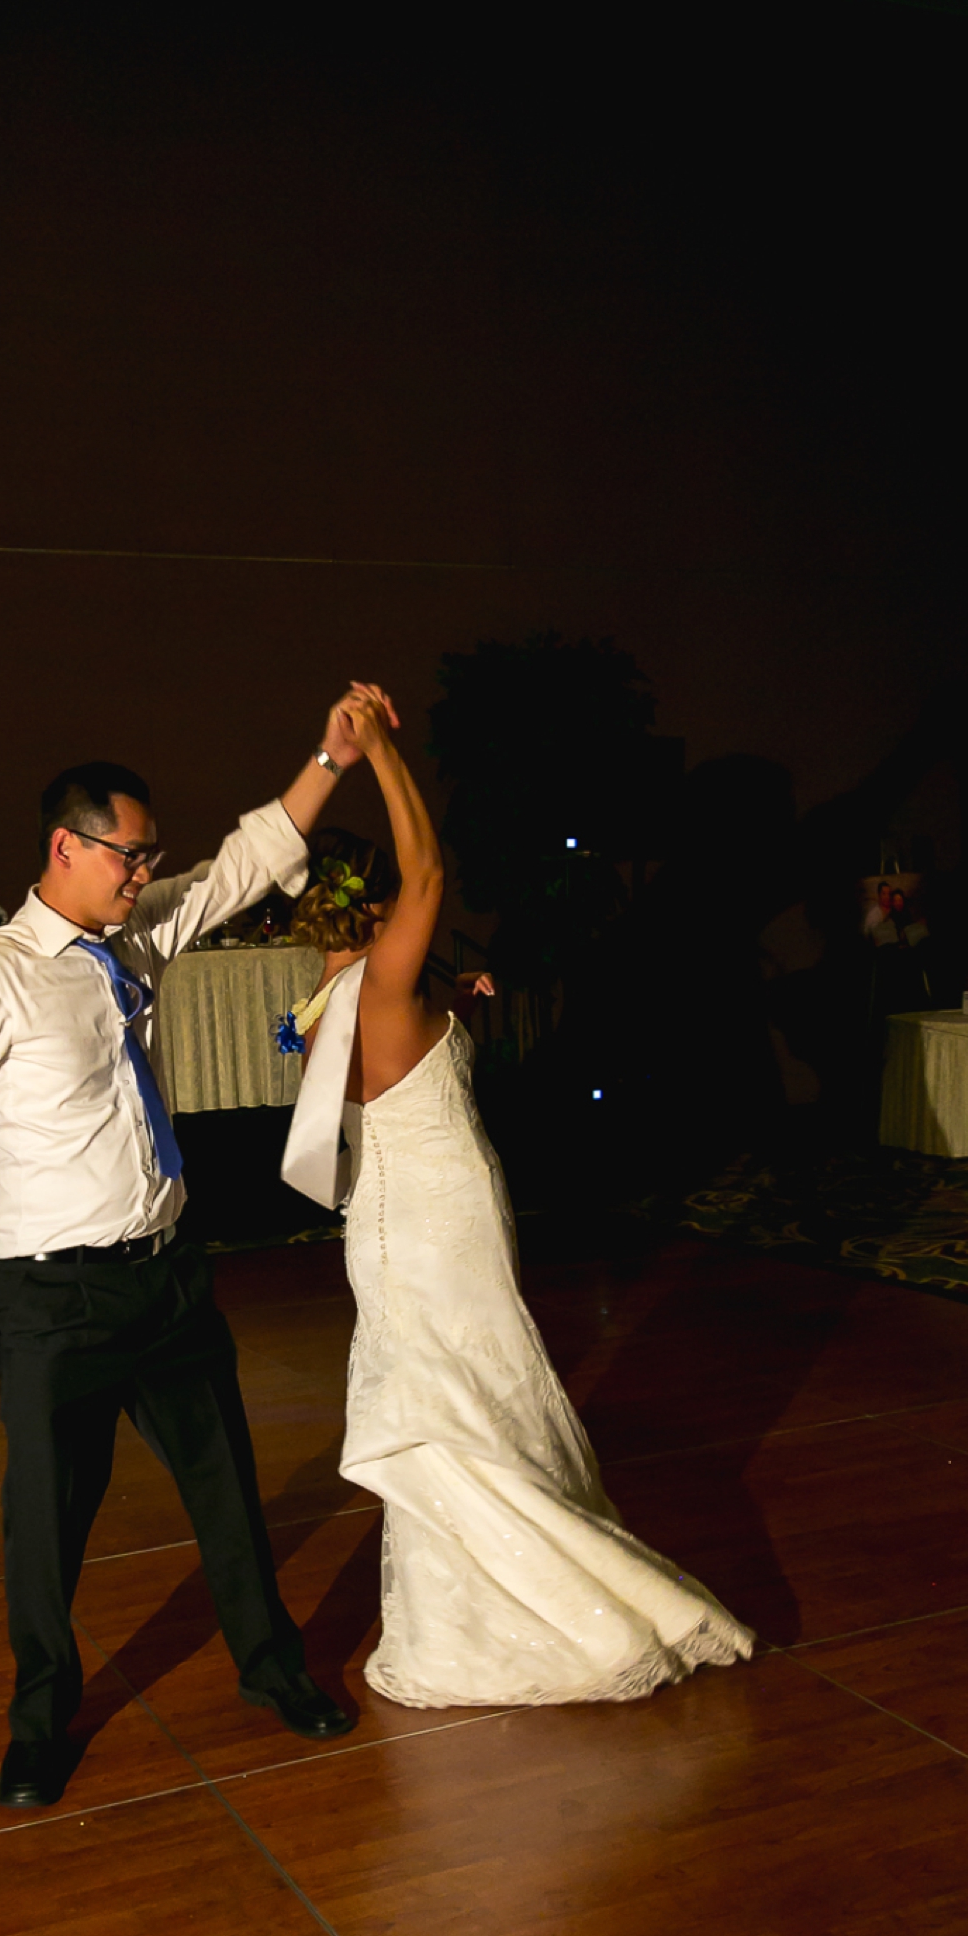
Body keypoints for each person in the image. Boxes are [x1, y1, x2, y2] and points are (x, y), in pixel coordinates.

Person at [0, 692, 379, 1805]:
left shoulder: (136, 939)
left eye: (150, 855)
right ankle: (42, 1722)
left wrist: (329, 760)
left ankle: (275, 1672)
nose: (146, 871)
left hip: (169, 1280)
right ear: (66, 844)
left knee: (230, 1498)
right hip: (57, 1305)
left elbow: (247, 862)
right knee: (45, 1526)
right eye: (129, 853)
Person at [281, 688, 753, 1710]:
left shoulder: (329, 1003)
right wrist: (384, 754)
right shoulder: (393, 980)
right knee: (481, 1396)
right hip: (444, 1215)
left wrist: (458, 991)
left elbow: (398, 1007)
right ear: (368, 903)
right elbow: (433, 868)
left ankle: (456, 1622)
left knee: (443, 1406)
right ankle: (573, 1607)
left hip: (383, 1227)